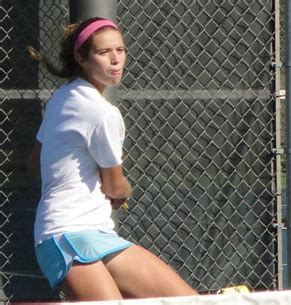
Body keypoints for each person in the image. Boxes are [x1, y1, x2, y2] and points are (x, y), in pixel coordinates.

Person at [27, 17, 198, 301]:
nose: (116, 60)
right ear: (82, 58)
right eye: (104, 53)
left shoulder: (62, 97)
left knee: (190, 300)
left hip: (96, 234)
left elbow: (36, 163)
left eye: (120, 50)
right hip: (65, 236)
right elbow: (115, 187)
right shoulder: (102, 113)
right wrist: (122, 191)